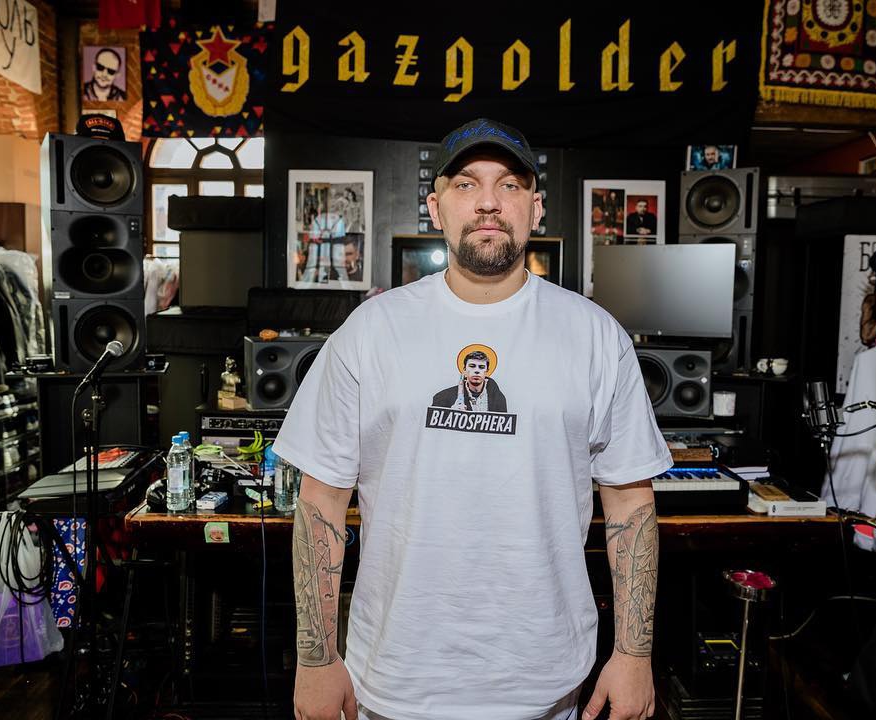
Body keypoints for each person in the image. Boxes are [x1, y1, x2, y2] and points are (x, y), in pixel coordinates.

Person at [274, 117, 671, 720]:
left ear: (536, 208)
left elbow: (630, 502)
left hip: (546, 683)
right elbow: (320, 503)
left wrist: (634, 655)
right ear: (436, 208)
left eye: (510, 184)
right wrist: (315, 659)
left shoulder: (595, 336)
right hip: (395, 681)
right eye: (465, 184)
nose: (488, 202)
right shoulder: (370, 331)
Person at [431, 348, 508, 412]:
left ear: (486, 371)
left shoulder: (498, 398)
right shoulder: (442, 398)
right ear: (464, 370)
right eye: (472, 366)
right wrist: (451, 414)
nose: (476, 371)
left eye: (481, 367)